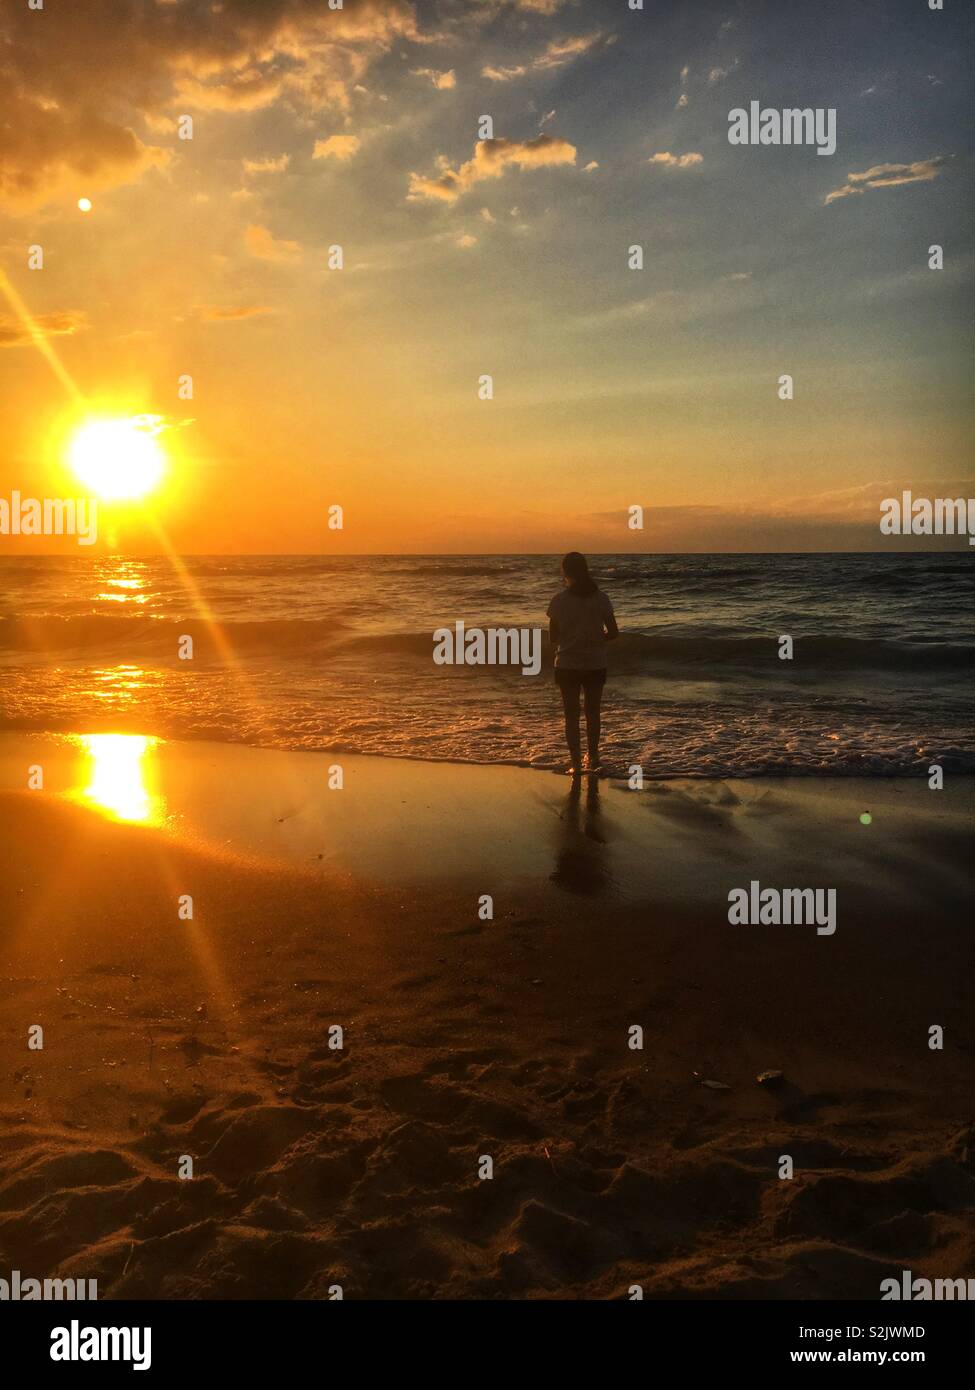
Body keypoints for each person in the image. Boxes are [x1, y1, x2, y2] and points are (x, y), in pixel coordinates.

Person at [546, 552, 618, 775]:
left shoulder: (559, 601)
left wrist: (572, 637)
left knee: (571, 715)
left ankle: (576, 763)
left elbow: (553, 637)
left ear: (565, 572)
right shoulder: (602, 598)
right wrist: (596, 639)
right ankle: (594, 758)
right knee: (593, 712)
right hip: (595, 663)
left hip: (567, 663)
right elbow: (613, 632)